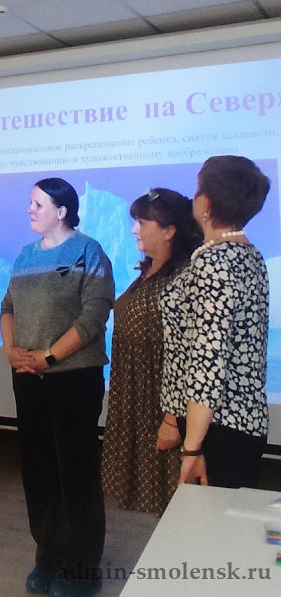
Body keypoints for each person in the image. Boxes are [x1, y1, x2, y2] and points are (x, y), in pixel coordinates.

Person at [0, 178, 113, 597]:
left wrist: (48, 357)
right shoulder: (25, 255)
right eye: (30, 202)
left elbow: (93, 316)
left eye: (38, 203)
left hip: (73, 377)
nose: (30, 209)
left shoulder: (88, 251)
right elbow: (8, 306)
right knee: (38, 469)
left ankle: (82, 568)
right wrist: (12, 351)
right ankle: (48, 555)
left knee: (75, 470)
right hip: (28, 377)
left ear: (62, 211)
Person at [160, 156, 271, 488]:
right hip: (233, 423)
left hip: (216, 428)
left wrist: (193, 448)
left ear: (205, 203)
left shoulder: (214, 261)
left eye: (197, 190)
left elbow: (208, 361)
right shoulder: (248, 254)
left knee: (208, 520)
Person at [101, 188, 201, 516]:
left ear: (169, 230)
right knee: (161, 507)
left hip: (164, 407)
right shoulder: (147, 271)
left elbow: (191, 354)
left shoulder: (185, 275)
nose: (134, 229)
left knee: (181, 505)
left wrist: (172, 419)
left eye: (142, 223)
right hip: (138, 402)